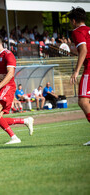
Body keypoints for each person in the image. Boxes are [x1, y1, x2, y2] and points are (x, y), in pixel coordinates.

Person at [0, 33, 34, 145]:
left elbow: (10, 74)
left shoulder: (8, 55)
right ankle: (25, 121)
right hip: (1, 88)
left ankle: (14, 137)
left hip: (8, 86)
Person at [68, 7, 90, 146]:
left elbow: (84, 50)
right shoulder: (88, 29)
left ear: (74, 21)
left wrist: (76, 71)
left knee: (83, 101)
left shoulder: (77, 31)